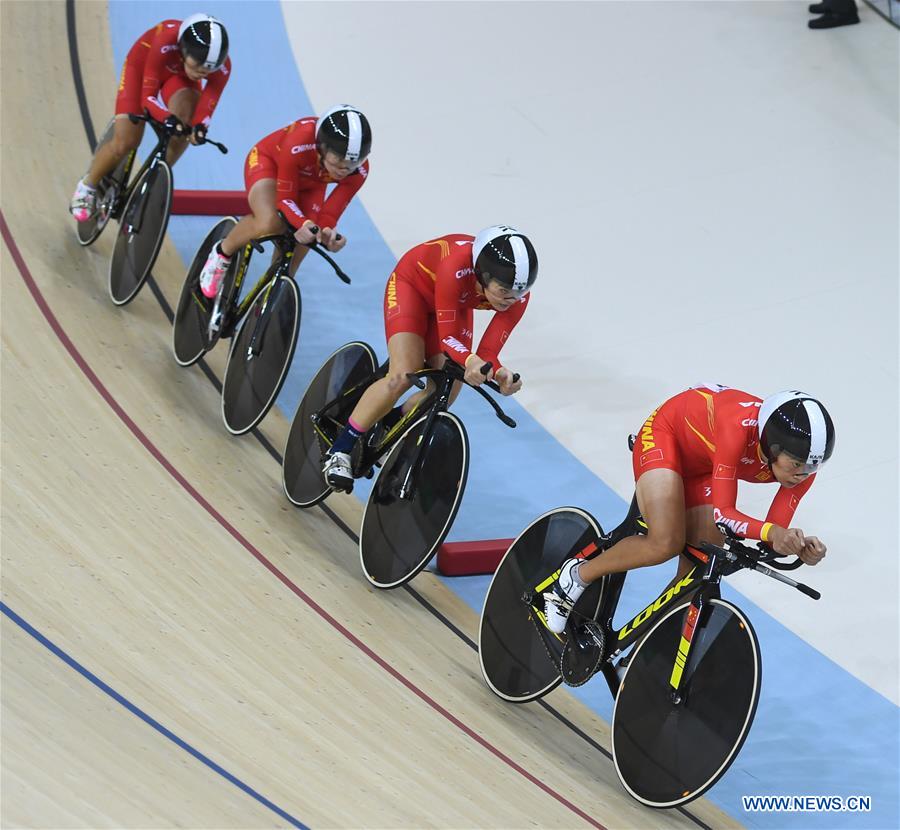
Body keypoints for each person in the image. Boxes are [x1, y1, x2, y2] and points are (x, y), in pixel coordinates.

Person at [543, 386, 835, 634]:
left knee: (696, 576)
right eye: (796, 464)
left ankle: (638, 656)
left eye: (812, 467)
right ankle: (577, 575)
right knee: (665, 542)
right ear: (772, 446)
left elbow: (772, 535)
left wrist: (797, 547)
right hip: (666, 436)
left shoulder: (804, 471)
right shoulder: (737, 429)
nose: (802, 474)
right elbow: (724, 514)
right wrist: (774, 533)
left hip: (707, 466)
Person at [322, 226, 537, 491]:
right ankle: (340, 450)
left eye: (519, 292)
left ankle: (390, 424)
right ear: (483, 275)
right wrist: (470, 361)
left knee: (448, 388)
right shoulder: (455, 266)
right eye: (503, 290)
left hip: (453, 304)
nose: (512, 299)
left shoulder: (517, 295)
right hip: (412, 288)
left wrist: (499, 372)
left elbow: (487, 354)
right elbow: (449, 338)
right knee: (404, 374)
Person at [196, 105, 372, 298]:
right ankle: (221, 253)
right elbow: (285, 199)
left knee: (308, 238)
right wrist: (302, 222)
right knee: (270, 222)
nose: (344, 169)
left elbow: (330, 213)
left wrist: (327, 233)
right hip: (270, 164)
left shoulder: (359, 171)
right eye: (338, 159)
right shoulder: (299, 141)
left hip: (312, 183)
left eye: (352, 163)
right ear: (321, 147)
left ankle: (271, 295)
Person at [69, 14, 231, 222]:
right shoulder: (165, 41)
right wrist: (167, 118)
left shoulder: (221, 67)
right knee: (126, 141)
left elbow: (207, 105)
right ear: (183, 50)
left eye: (208, 70)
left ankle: (149, 185)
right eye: (197, 65)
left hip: (180, 77)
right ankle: (87, 186)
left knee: (184, 129)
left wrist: (199, 128)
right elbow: (147, 98)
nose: (202, 73)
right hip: (143, 68)